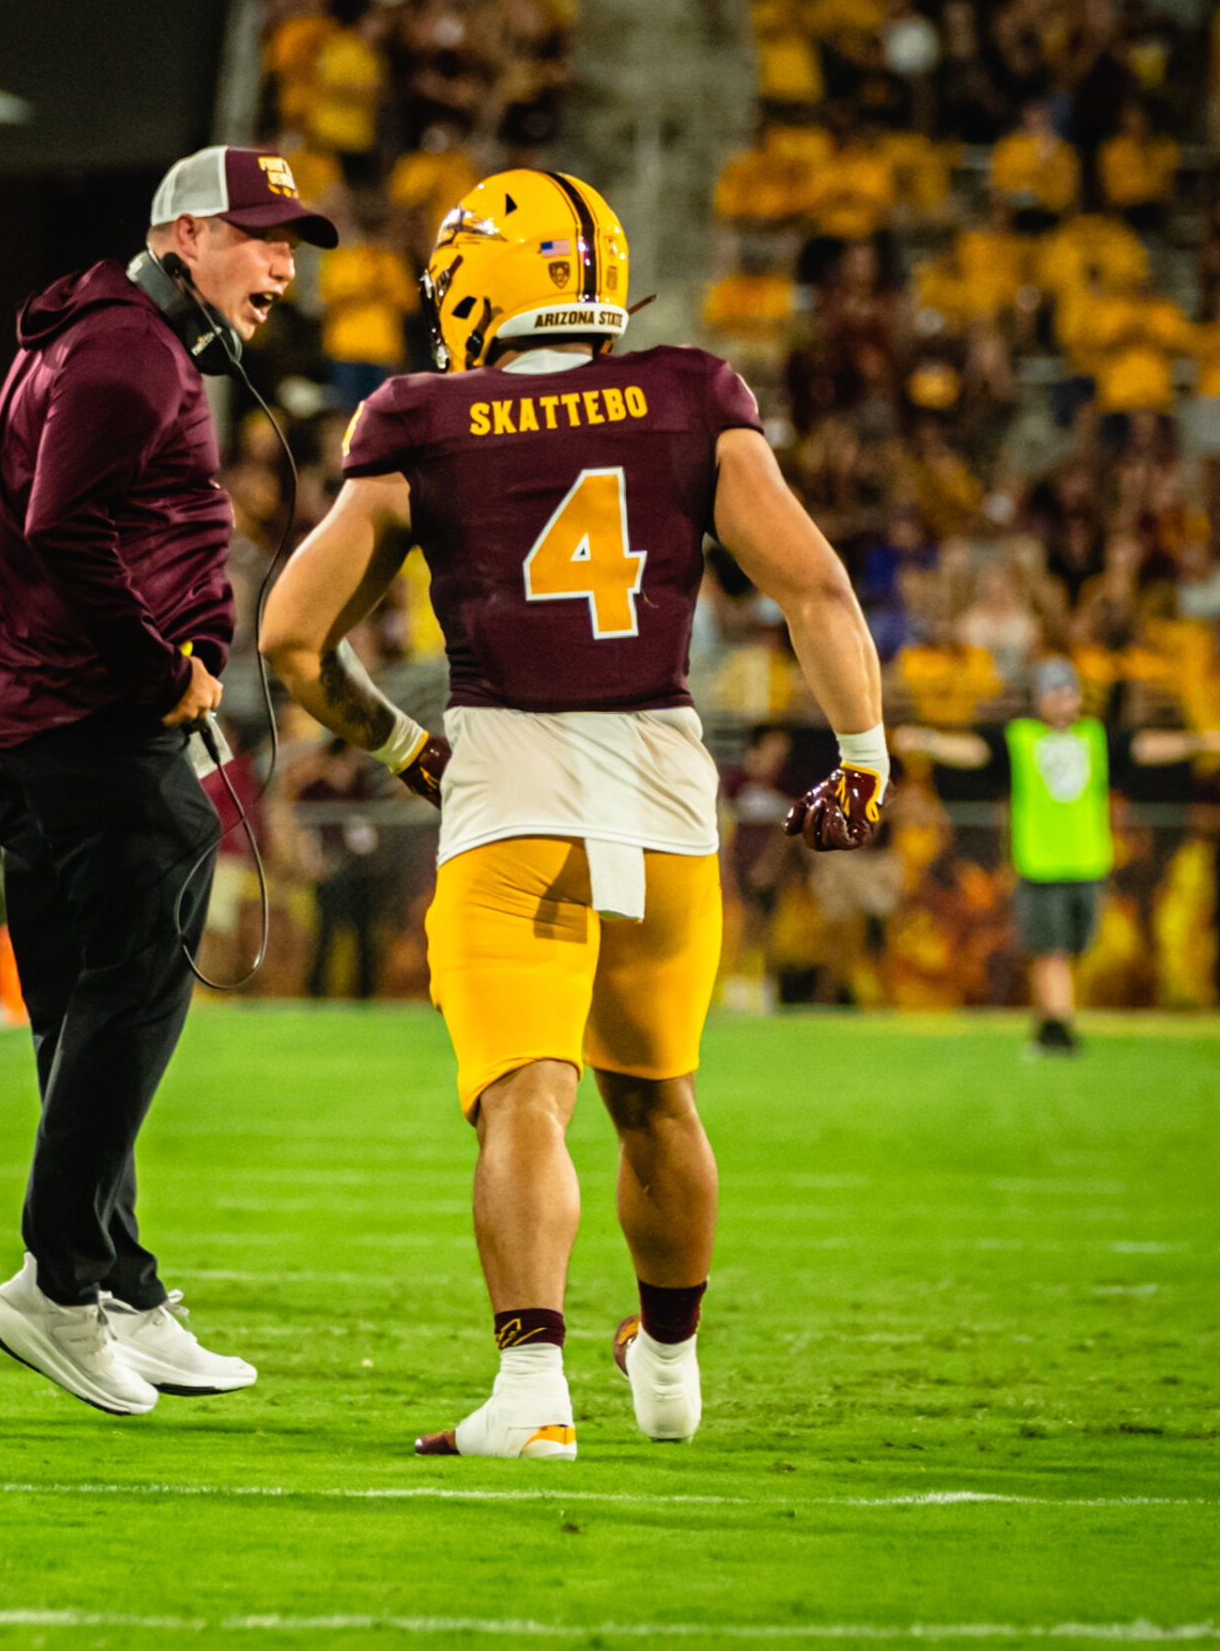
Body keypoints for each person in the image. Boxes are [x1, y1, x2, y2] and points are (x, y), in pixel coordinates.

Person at [263, 166, 886, 1459]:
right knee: (657, 1098)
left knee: (525, 1102)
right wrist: (862, 753)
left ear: (484, 285)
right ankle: (667, 1367)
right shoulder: (691, 395)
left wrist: (395, 743)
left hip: (512, 787)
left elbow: (289, 640)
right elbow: (818, 590)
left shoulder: (419, 418)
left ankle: (532, 1396)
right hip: (664, 791)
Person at [0, 145, 336, 1417]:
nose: (284, 261)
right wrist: (159, 661)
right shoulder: (129, 351)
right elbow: (66, 526)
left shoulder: (96, 333)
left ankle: (114, 1275)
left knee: (77, 999)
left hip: (26, 709)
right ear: (184, 238)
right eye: (263, 234)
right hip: (84, 713)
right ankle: (56, 1282)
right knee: (136, 982)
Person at [894, 659, 1107, 1055]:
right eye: (1052, 691)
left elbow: (1145, 747)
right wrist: (930, 741)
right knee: (1050, 951)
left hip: (1087, 863)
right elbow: (977, 752)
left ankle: (1047, 1027)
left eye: (1067, 690)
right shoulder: (1020, 739)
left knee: (1070, 951)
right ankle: (1061, 1031)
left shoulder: (1095, 737)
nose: (1062, 699)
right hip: (1040, 864)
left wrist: (1206, 742)